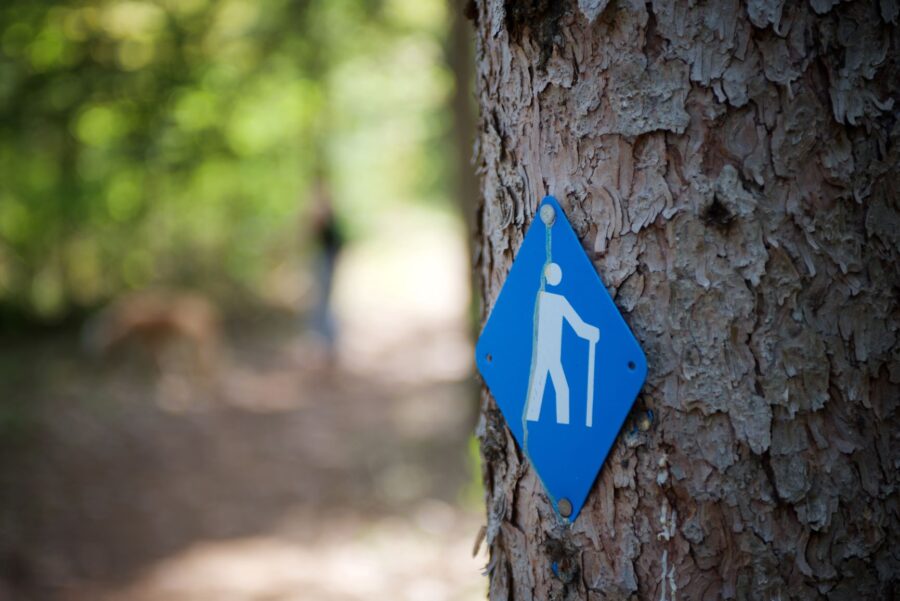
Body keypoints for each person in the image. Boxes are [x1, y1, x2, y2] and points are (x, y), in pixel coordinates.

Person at [525, 262, 599, 425]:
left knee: (546, 389)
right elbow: (578, 326)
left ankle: (550, 422)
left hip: (550, 354)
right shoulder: (550, 300)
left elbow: (578, 326)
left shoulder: (547, 299)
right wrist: (591, 333)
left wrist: (591, 332)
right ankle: (555, 423)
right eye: (555, 274)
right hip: (547, 354)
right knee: (555, 389)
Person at [306, 176, 344, 364]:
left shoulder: (323, 208)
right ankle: (325, 345)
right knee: (321, 302)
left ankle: (327, 345)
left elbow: (315, 228)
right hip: (324, 257)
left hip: (324, 258)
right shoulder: (328, 208)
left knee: (322, 303)